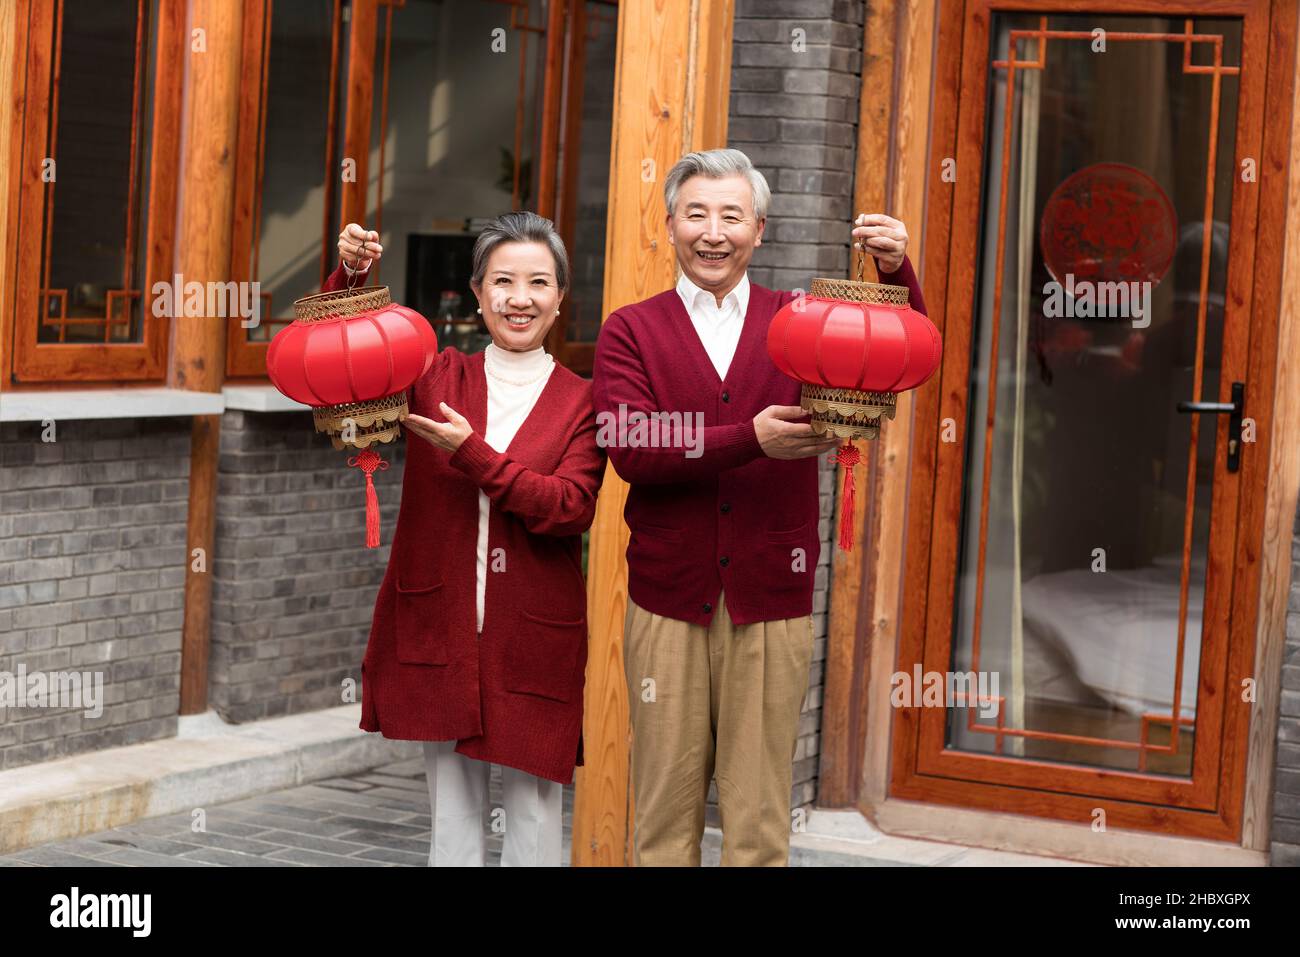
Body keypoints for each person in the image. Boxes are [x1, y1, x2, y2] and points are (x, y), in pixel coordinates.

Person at [591, 148, 927, 866]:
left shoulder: (800, 321)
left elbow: (896, 357)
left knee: (759, 819)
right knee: (660, 816)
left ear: (761, 229)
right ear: (671, 224)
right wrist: (750, 439)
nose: (713, 233)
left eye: (732, 215)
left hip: (771, 599)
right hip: (667, 599)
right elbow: (631, 442)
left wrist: (897, 272)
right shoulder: (631, 329)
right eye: (697, 214)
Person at [325, 211, 606, 866]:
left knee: (534, 819)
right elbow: (344, 361)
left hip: (535, 636)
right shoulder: (432, 376)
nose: (519, 298)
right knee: (452, 820)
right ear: (478, 293)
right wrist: (353, 274)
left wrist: (474, 455)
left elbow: (569, 507)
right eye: (502, 280)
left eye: (538, 282)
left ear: (561, 297)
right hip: (441, 625)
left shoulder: (583, 400)